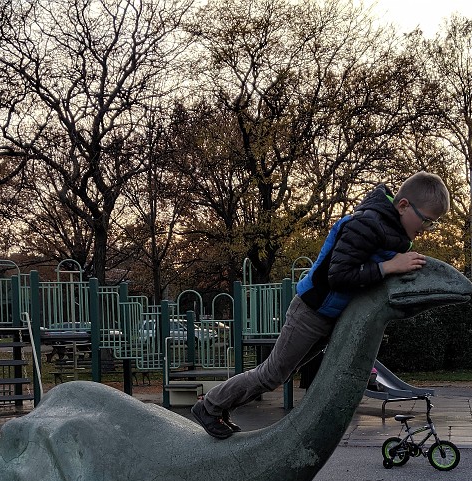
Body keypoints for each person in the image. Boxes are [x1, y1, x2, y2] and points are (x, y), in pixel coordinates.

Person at [191, 171, 450, 439]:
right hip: (311, 311)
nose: (426, 229)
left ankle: (220, 409)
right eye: (426, 220)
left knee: (280, 375)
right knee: (271, 374)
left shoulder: (393, 235)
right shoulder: (366, 225)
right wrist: (387, 267)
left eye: (433, 224)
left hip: (329, 316)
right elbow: (338, 276)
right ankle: (209, 406)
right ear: (403, 205)